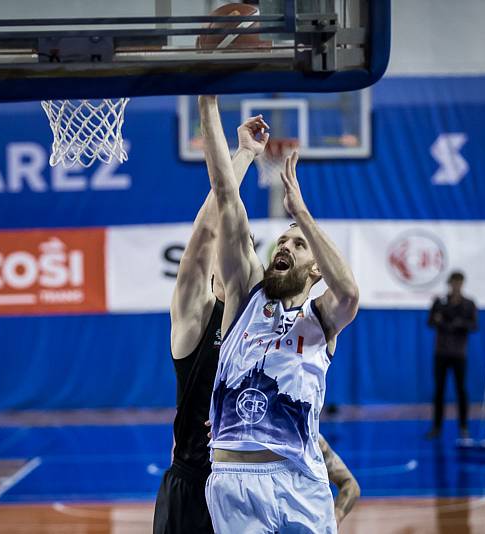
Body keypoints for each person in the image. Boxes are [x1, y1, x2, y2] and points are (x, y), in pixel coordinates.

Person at [154, 113, 361, 533]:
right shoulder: (237, 306)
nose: (284, 245)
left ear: (317, 268)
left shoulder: (320, 322)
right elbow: (225, 198)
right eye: (280, 241)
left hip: (299, 477)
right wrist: (208, 103)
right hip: (226, 480)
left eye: (298, 244)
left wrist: (300, 213)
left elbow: (350, 295)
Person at [425, 271, 478, 439]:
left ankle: (463, 426)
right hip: (441, 352)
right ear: (449, 284)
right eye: (453, 283)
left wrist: (458, 323)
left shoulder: (469, 304)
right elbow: (430, 321)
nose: (456, 286)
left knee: (461, 390)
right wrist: (440, 321)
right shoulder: (439, 302)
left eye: (459, 283)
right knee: (439, 390)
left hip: (459, 353)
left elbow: (474, 325)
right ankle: (436, 427)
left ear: (462, 284)